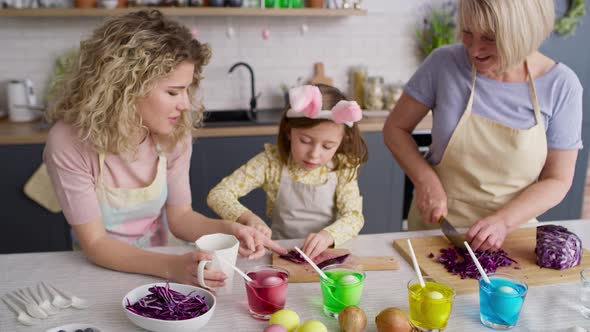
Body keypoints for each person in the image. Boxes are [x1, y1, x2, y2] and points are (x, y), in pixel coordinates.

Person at [43, 10, 286, 288]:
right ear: (125, 88)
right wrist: (171, 268)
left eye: (187, 90)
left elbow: (181, 218)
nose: (185, 104)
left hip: (162, 261)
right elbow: (96, 243)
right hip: (103, 270)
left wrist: (231, 230)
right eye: (173, 92)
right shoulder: (68, 142)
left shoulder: (173, 134)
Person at [384, 0, 583, 252]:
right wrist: (425, 180)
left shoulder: (561, 85)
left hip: (512, 238)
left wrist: (503, 222)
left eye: (489, 38)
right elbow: (395, 129)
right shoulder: (443, 64)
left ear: (525, 32)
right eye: (467, 31)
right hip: (434, 230)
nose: (474, 49)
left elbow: (557, 179)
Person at [207, 84, 368, 259]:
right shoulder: (270, 162)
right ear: (288, 131)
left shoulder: (343, 167)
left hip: (328, 255)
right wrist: (249, 219)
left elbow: (354, 217)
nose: (314, 154)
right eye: (305, 140)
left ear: (342, 140)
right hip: (281, 254)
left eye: (327, 146)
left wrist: (328, 236)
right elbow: (218, 194)